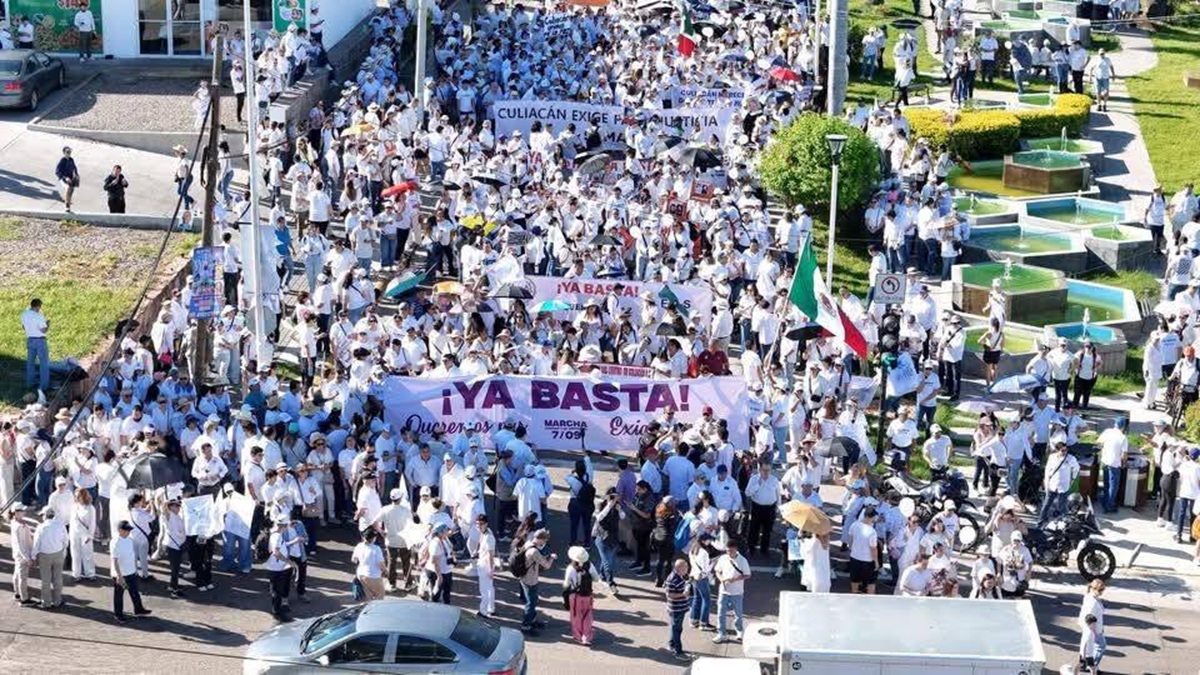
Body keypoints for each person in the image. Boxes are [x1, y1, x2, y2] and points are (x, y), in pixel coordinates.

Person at [516, 528, 557, 634]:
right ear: (540, 539)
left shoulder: (528, 543)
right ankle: (526, 625)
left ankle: (532, 620)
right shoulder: (534, 551)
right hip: (530, 580)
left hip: (524, 577)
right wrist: (552, 558)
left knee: (532, 601)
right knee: (531, 603)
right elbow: (546, 565)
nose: (544, 543)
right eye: (545, 540)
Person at [110, 520, 151, 623]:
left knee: (135, 592)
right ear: (120, 530)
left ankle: (139, 610)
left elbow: (131, 555)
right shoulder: (115, 542)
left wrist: (134, 569)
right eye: (126, 530)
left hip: (131, 572)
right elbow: (115, 560)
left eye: (129, 530)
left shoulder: (130, 540)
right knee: (119, 596)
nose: (128, 532)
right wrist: (119, 576)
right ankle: (118, 614)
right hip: (121, 574)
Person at [712, 538, 750, 644]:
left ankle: (739, 631)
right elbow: (717, 571)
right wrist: (721, 579)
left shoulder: (742, 560)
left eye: (731, 551)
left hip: (737, 592)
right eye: (727, 551)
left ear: (736, 549)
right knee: (721, 613)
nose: (729, 553)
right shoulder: (723, 558)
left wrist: (735, 579)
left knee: (738, 613)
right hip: (723, 590)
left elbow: (747, 575)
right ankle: (721, 633)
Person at [377, 488, 413, 591]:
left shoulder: (385, 509)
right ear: (400, 498)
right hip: (404, 541)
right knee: (406, 562)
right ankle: (408, 584)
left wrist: (381, 532)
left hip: (390, 541)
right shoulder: (406, 510)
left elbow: (375, 522)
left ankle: (391, 584)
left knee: (391, 563)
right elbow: (411, 526)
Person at [563, 545, 599, 645]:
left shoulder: (570, 568)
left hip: (575, 596)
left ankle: (578, 636)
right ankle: (586, 637)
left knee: (576, 616)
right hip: (588, 595)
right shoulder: (590, 565)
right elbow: (596, 579)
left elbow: (566, 584)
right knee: (588, 615)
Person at [32, 507, 67, 609]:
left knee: (45, 580)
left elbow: (36, 543)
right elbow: (66, 540)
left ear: (45, 516)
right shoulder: (61, 525)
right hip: (58, 554)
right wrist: (63, 551)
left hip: (45, 556)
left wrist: (33, 556)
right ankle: (57, 601)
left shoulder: (41, 527)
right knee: (58, 578)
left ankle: (46, 602)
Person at [265, 516, 295, 621]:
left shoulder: (276, 534)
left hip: (278, 567)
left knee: (278, 590)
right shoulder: (277, 536)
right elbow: (276, 553)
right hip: (276, 568)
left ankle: (278, 610)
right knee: (276, 591)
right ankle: (277, 613)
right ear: (284, 526)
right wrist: (289, 562)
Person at [847, 505, 881, 594]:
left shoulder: (854, 525)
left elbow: (851, 539)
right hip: (867, 560)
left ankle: (854, 596)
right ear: (872, 517)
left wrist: (851, 549)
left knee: (854, 580)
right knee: (870, 583)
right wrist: (876, 562)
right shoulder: (872, 531)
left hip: (854, 557)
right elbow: (873, 549)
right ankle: (870, 599)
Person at [1097, 418, 1129, 513]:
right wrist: (1124, 463)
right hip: (1114, 464)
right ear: (1123, 427)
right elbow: (1124, 455)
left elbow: (1098, 442)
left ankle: (1105, 501)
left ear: (1115, 424)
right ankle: (1109, 506)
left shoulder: (1107, 431)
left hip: (1105, 461)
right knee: (1113, 486)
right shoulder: (1123, 438)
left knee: (1106, 483)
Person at [664, 557, 693, 660]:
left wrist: (688, 583)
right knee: (677, 629)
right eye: (686, 567)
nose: (687, 569)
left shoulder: (681, 575)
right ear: (679, 568)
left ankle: (671, 644)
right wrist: (683, 594)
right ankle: (678, 651)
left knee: (675, 628)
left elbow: (686, 581)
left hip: (680, 608)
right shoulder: (672, 579)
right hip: (676, 609)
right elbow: (669, 595)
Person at [1077, 580, 1107, 672]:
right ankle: (1092, 666)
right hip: (1093, 628)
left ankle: (1087, 665)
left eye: (1103, 590)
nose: (1102, 592)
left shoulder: (1090, 596)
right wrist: (1094, 632)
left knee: (1089, 647)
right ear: (1095, 589)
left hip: (1092, 628)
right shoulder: (1093, 601)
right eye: (1101, 590)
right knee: (1101, 646)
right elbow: (1089, 617)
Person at [68, 488, 98, 582]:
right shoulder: (74, 506)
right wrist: (70, 534)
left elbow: (92, 523)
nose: (76, 498)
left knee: (87, 554)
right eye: (75, 496)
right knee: (75, 554)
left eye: (78, 496)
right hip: (74, 533)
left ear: (84, 496)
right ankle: (76, 574)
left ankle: (90, 573)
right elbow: (71, 521)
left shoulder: (90, 508)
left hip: (85, 533)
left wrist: (90, 535)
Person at [21, 297, 50, 393]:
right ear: (38, 306)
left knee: (30, 363)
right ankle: (43, 386)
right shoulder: (39, 316)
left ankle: (30, 384)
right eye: (40, 307)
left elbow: (24, 327)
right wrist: (48, 324)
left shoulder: (24, 314)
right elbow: (43, 330)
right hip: (40, 341)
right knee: (44, 363)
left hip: (30, 340)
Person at [352, 528, 387, 600]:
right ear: (373, 538)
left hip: (361, 574)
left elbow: (354, 560)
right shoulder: (376, 549)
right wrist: (385, 571)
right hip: (372, 575)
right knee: (380, 594)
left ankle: (369, 606)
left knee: (368, 595)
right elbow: (381, 564)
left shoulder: (359, 546)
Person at [474, 514, 498, 618]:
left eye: (481, 524)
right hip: (484, 564)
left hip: (485, 566)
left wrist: (491, 570)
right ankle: (491, 608)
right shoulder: (486, 532)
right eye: (477, 524)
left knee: (484, 590)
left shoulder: (489, 537)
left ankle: (483, 611)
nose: (479, 526)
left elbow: (490, 555)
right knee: (490, 588)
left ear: (486, 524)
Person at [55, 147, 80, 212]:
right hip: (63, 179)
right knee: (68, 188)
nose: (69, 153)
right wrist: (65, 178)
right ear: (64, 153)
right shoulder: (62, 161)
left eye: (70, 152)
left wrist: (77, 175)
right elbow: (57, 172)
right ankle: (67, 205)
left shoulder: (71, 160)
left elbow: (75, 168)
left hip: (70, 178)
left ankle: (68, 203)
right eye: (67, 152)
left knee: (71, 190)